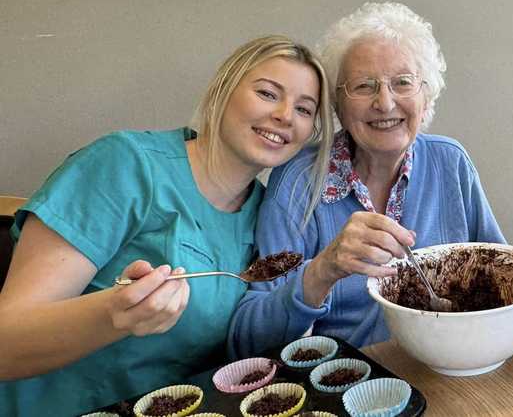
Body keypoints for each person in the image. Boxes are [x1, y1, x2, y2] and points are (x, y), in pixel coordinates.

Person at [0, 36, 334, 415]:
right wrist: (113, 314)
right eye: (268, 93)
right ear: (223, 90)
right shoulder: (124, 166)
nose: (286, 116)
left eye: (305, 110)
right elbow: (6, 344)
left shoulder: (266, 214)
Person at [228, 2, 506, 354]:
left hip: (454, 363)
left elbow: (501, 275)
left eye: (402, 83)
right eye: (364, 86)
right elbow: (247, 341)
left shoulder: (450, 163)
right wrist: (322, 270)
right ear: (338, 104)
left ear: (426, 95)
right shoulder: (299, 182)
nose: (385, 103)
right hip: (352, 382)